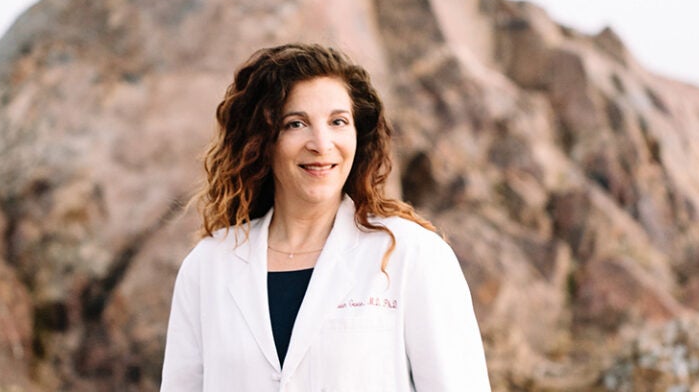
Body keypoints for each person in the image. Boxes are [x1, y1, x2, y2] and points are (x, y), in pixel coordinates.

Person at [160, 43, 492, 391]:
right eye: (296, 123)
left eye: (338, 122)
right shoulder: (208, 265)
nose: (321, 143)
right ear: (262, 141)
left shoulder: (412, 253)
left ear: (358, 134)